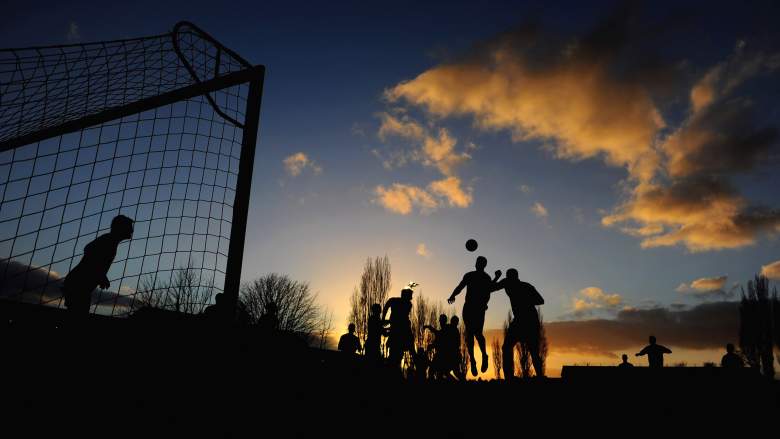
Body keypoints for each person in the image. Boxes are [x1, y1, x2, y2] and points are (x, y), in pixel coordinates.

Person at [62, 215, 134, 318]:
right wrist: (100, 274)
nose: (132, 230)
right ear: (121, 227)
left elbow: (90, 251)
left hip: (78, 284)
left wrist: (101, 275)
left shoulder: (111, 241)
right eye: (129, 227)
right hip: (77, 283)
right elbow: (89, 249)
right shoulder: (108, 240)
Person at [448, 256, 501, 376]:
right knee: (469, 335)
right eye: (478, 262)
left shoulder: (485, 277)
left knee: (477, 334)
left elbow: (490, 289)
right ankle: (472, 360)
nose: (478, 264)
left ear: (482, 265)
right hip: (469, 308)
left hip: (478, 308)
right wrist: (453, 295)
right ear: (476, 264)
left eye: (480, 263)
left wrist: (496, 278)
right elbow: (460, 287)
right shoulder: (470, 275)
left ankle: (484, 356)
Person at [489, 268, 545, 379]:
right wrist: (496, 277)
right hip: (520, 320)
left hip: (530, 320)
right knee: (507, 347)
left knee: (533, 350)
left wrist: (525, 299)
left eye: (510, 277)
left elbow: (540, 300)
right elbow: (490, 288)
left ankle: (539, 376)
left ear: (515, 277)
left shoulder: (526, 286)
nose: (509, 279)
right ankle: (509, 376)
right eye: (507, 277)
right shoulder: (507, 283)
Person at [382, 288, 415, 369]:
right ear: (406, 296)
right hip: (401, 332)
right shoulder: (404, 303)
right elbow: (388, 306)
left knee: (399, 352)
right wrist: (384, 319)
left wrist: (385, 319)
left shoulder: (405, 304)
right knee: (397, 352)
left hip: (401, 331)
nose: (411, 298)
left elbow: (388, 306)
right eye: (410, 296)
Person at [424, 314, 450, 379]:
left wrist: (432, 346)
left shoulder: (445, 331)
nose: (440, 322)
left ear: (443, 321)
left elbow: (439, 341)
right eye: (440, 320)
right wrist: (428, 327)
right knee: (440, 373)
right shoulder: (444, 331)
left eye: (440, 320)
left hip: (442, 355)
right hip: (442, 355)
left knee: (433, 371)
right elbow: (436, 332)